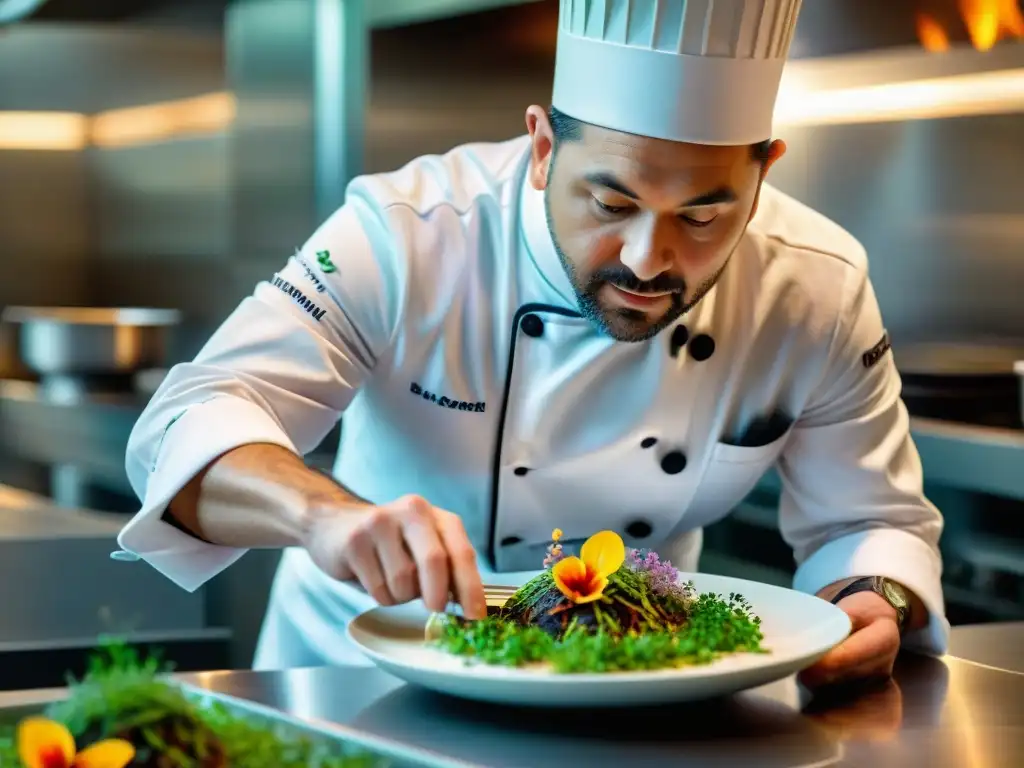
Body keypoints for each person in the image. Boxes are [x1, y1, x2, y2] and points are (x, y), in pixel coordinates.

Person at [116, 0, 948, 688]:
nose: (648, 260)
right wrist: (325, 515)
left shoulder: (818, 285)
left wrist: (872, 596)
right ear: (545, 148)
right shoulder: (407, 234)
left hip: (645, 689)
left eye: (703, 216)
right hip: (357, 685)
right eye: (611, 205)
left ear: (764, 170)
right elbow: (186, 422)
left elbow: (868, 520)